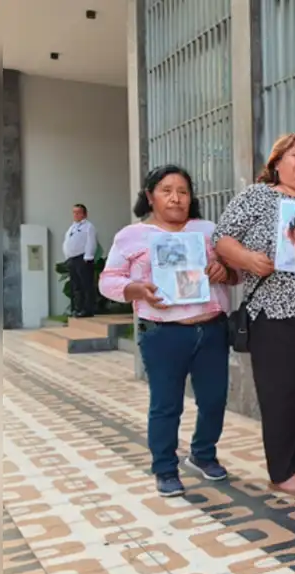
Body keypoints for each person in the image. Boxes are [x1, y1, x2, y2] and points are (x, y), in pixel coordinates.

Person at [213, 133, 295, 496]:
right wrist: (248, 259)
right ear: (276, 163)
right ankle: (283, 469)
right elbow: (222, 239)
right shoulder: (258, 196)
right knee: (282, 393)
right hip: (275, 314)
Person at [99, 165, 237, 497]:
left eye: (183, 192)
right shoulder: (131, 236)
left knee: (214, 400)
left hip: (211, 329)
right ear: (150, 196)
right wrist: (137, 290)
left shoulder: (208, 231)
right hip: (162, 333)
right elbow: (108, 280)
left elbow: (236, 274)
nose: (176, 198)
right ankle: (165, 468)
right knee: (166, 404)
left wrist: (224, 271)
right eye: (167, 191)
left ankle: (203, 454)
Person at [63, 203, 99, 317]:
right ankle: (77, 308)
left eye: (78, 212)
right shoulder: (72, 227)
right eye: (74, 212)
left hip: (83, 258)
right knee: (76, 285)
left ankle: (87, 309)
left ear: (84, 214)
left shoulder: (88, 227)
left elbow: (91, 242)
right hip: (72, 259)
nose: (76, 215)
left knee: (86, 285)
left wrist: (88, 256)